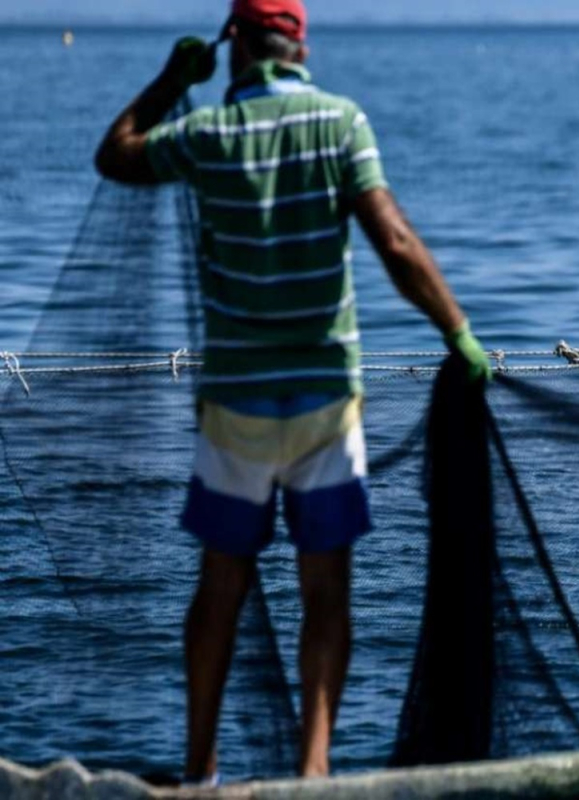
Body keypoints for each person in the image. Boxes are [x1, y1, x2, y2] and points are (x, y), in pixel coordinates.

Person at [94, 0, 492, 783]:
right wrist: (458, 332)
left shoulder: (204, 136)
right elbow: (396, 243)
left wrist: (173, 79)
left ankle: (199, 770)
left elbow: (116, 154)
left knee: (220, 586)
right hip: (322, 403)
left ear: (235, 46)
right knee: (326, 589)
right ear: (300, 44)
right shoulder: (342, 123)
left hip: (235, 404)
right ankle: (314, 776)